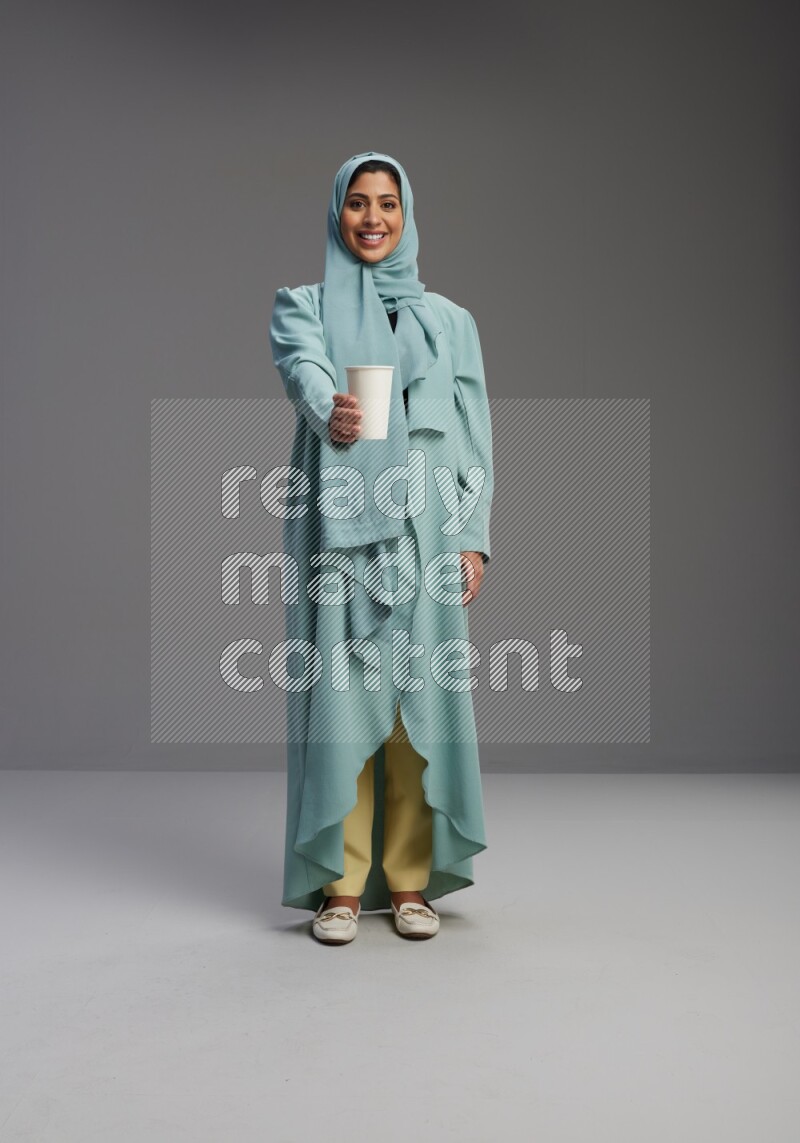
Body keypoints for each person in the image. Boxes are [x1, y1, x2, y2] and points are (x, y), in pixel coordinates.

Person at [269, 151, 494, 944]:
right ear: (338, 214)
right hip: (342, 533)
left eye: (387, 203)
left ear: (406, 214)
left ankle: (407, 881)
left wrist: (473, 538)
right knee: (343, 702)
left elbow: (472, 436)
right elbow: (304, 368)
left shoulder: (450, 321)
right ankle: (338, 886)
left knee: (416, 706)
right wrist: (327, 405)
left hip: (428, 529)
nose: (373, 218)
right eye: (358, 203)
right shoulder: (304, 305)